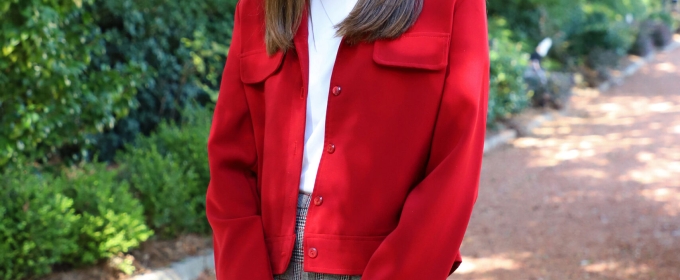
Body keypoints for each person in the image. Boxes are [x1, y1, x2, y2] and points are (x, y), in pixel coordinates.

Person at [206, 0, 489, 278]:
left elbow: (456, 165)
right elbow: (229, 161)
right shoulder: (259, 6)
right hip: (269, 263)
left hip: (386, 261)